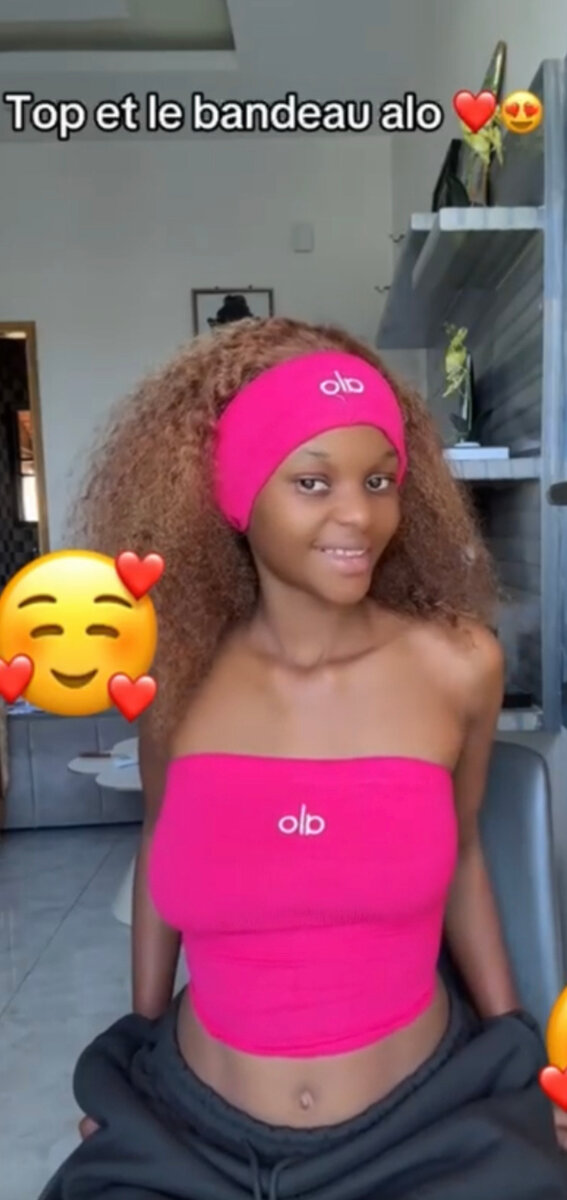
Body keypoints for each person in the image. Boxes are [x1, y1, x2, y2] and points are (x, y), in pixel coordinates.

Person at [40, 317, 567, 1199]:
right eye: (312, 482)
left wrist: (514, 1041)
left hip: (427, 1128)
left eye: (379, 480)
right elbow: (162, 839)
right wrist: (135, 1050)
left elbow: (463, 850)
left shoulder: (458, 664)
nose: (358, 514)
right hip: (190, 1135)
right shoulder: (174, 676)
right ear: (236, 495)